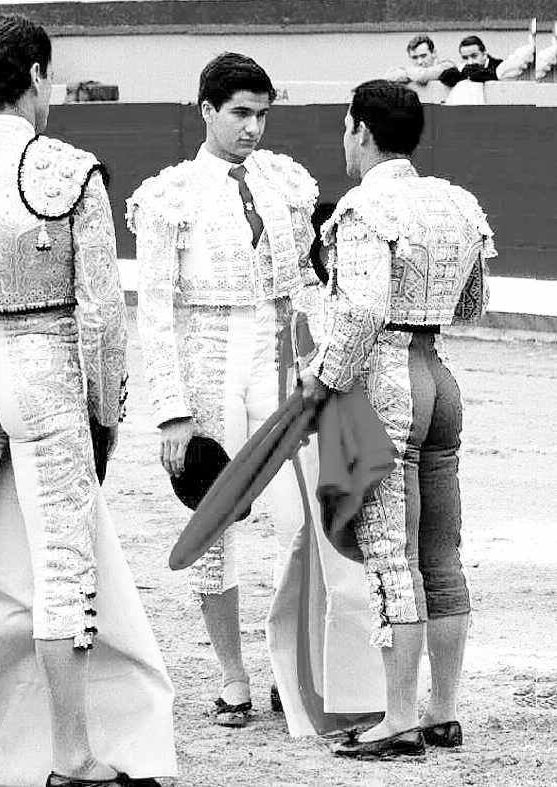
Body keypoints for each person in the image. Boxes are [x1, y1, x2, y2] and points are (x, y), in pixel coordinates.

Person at [0, 13, 167, 787]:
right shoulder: (69, 172)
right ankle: (73, 757)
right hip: (44, 372)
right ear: (38, 77)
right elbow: (103, 316)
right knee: (60, 567)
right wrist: (101, 413)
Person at [127, 52, 383, 734]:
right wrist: (171, 413)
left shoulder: (287, 183)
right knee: (217, 526)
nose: (252, 128)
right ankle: (232, 678)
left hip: (276, 356)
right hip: (204, 358)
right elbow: (154, 309)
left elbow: (307, 282)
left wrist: (322, 360)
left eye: (261, 114)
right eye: (240, 113)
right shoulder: (168, 194)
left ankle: (283, 665)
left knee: (298, 521)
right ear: (205, 110)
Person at [301, 79, 495, 758]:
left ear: (358, 129)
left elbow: (358, 310)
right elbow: (472, 302)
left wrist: (320, 381)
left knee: (393, 558)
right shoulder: (456, 203)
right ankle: (441, 710)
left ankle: (397, 718)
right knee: (441, 551)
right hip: (439, 375)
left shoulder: (362, 207)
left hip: (386, 384)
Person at [384, 34, 454, 86]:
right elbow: (388, 76)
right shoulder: (411, 73)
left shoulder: (447, 66)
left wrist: (406, 72)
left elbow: (422, 76)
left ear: (434, 53)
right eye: (414, 57)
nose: (419, 62)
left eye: (423, 56)